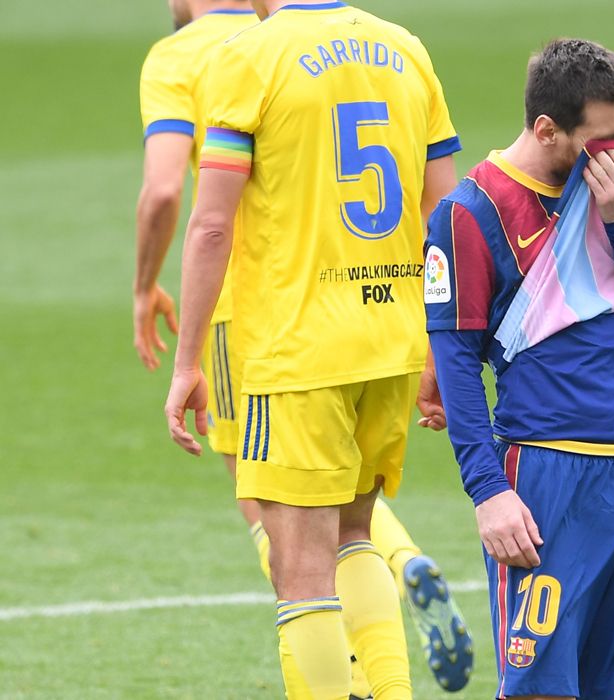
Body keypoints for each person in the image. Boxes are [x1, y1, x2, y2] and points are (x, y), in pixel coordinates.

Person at [162, 0, 467, 696]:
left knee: (301, 569)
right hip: (392, 339)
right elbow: (446, 217)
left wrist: (188, 363)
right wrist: (444, 345)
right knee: (356, 536)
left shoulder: (249, 56)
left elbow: (211, 226)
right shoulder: (406, 49)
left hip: (296, 351)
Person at [424, 39, 614, 700]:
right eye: (607, 135)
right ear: (548, 129)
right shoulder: (469, 214)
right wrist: (489, 491)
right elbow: (455, 366)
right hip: (545, 479)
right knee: (540, 689)